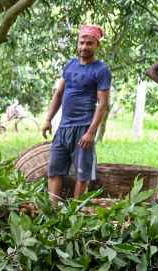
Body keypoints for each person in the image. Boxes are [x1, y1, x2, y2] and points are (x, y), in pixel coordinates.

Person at [41, 24, 111, 204]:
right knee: (54, 170)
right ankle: (52, 210)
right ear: (77, 43)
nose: (84, 47)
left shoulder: (101, 70)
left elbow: (103, 104)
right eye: (82, 42)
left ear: (97, 46)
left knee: (82, 174)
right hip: (63, 128)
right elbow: (58, 94)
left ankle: (76, 213)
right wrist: (48, 119)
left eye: (89, 43)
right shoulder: (70, 65)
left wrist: (91, 132)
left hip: (83, 129)